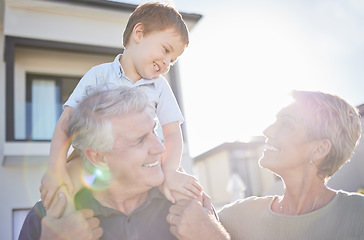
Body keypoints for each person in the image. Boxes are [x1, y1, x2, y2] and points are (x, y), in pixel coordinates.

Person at [40, 1, 202, 210]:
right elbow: (66, 122)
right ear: (139, 33)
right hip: (93, 161)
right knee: (60, 191)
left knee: (179, 186)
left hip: (140, 161)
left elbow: (172, 133)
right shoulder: (99, 75)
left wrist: (170, 170)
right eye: (165, 49)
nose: (166, 63)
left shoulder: (159, 87)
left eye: (172, 60)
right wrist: (55, 168)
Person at [168, 90, 364, 240]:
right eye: (275, 121)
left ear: (319, 149)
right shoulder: (240, 215)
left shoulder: (358, 216)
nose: (268, 130)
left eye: (286, 124)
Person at [20, 87, 186, 239]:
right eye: (140, 140)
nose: (160, 148)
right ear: (97, 157)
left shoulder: (188, 206)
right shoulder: (46, 219)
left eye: (153, 131)